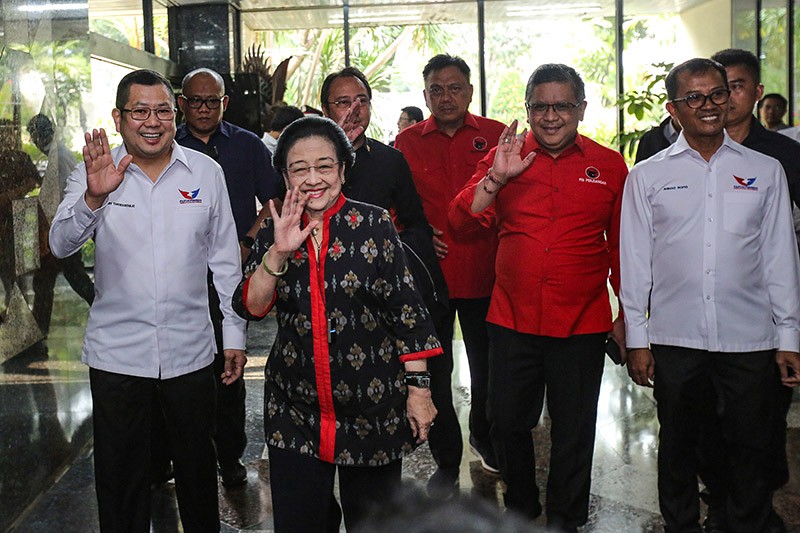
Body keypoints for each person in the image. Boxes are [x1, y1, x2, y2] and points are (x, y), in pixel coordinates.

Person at [49, 69, 247, 532]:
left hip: (191, 352)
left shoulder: (206, 173)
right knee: (121, 481)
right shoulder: (94, 171)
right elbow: (60, 244)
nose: (152, 121)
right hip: (118, 354)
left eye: (162, 111)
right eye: (140, 111)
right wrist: (93, 200)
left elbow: (224, 262)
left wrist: (234, 334)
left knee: (199, 474)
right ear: (119, 118)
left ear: (175, 115)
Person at [231, 115, 441, 532]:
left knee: (374, 523)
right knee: (300, 522)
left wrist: (419, 391)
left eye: (325, 166)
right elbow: (251, 306)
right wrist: (277, 254)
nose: (313, 179)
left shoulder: (375, 224)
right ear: (285, 176)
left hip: (373, 404)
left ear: (343, 171)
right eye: (299, 168)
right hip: (296, 407)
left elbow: (407, 312)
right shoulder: (276, 226)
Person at [621, 58, 800, 533]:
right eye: (694, 97)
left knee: (751, 444)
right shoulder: (647, 176)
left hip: (750, 338)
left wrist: (790, 336)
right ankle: (681, 525)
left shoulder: (766, 170)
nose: (708, 105)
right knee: (679, 445)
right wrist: (637, 338)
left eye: (717, 93)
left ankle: (744, 523)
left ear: (732, 96)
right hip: (676, 337)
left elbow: (780, 257)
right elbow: (636, 262)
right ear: (673, 108)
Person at [449, 63, 628, 532]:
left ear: (581, 109)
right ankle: (521, 506)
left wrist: (627, 315)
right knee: (504, 421)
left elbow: (621, 248)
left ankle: (566, 520)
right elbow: (459, 221)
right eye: (540, 107)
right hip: (511, 318)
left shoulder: (610, 165)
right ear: (527, 110)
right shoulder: (505, 157)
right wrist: (497, 179)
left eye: (562, 106)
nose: (551, 117)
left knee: (573, 431)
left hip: (582, 323)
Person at [395, 54, 506, 497]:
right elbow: (395, 207)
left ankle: (484, 433)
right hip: (429, 277)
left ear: (470, 92)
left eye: (454, 88)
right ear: (425, 96)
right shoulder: (405, 142)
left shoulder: (497, 136)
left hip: (485, 271)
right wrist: (420, 236)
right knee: (436, 372)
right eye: (436, 90)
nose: (446, 97)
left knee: (488, 367)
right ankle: (447, 457)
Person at [700, 48, 800, 533]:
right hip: (697, 319)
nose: (724, 98)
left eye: (735, 86)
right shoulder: (671, 152)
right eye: (716, 88)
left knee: (760, 422)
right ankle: (723, 500)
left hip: (765, 314)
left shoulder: (785, 157)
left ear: (756, 93)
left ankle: (753, 508)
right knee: (706, 423)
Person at [174, 67, 280, 486]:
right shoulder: (166, 142)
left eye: (212, 101)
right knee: (177, 370)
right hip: (178, 276)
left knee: (228, 363)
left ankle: (230, 457)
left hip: (229, 273)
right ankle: (170, 457)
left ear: (225, 103)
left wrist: (248, 241)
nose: (203, 108)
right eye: (195, 101)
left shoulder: (247, 145)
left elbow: (274, 199)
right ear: (181, 104)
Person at [26, 114, 95, 331]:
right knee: (56, 280)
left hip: (61, 230)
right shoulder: (56, 154)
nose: (32, 140)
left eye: (33, 134)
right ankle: (39, 331)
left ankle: (39, 333)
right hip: (58, 229)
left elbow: (64, 197)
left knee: (68, 279)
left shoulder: (59, 156)